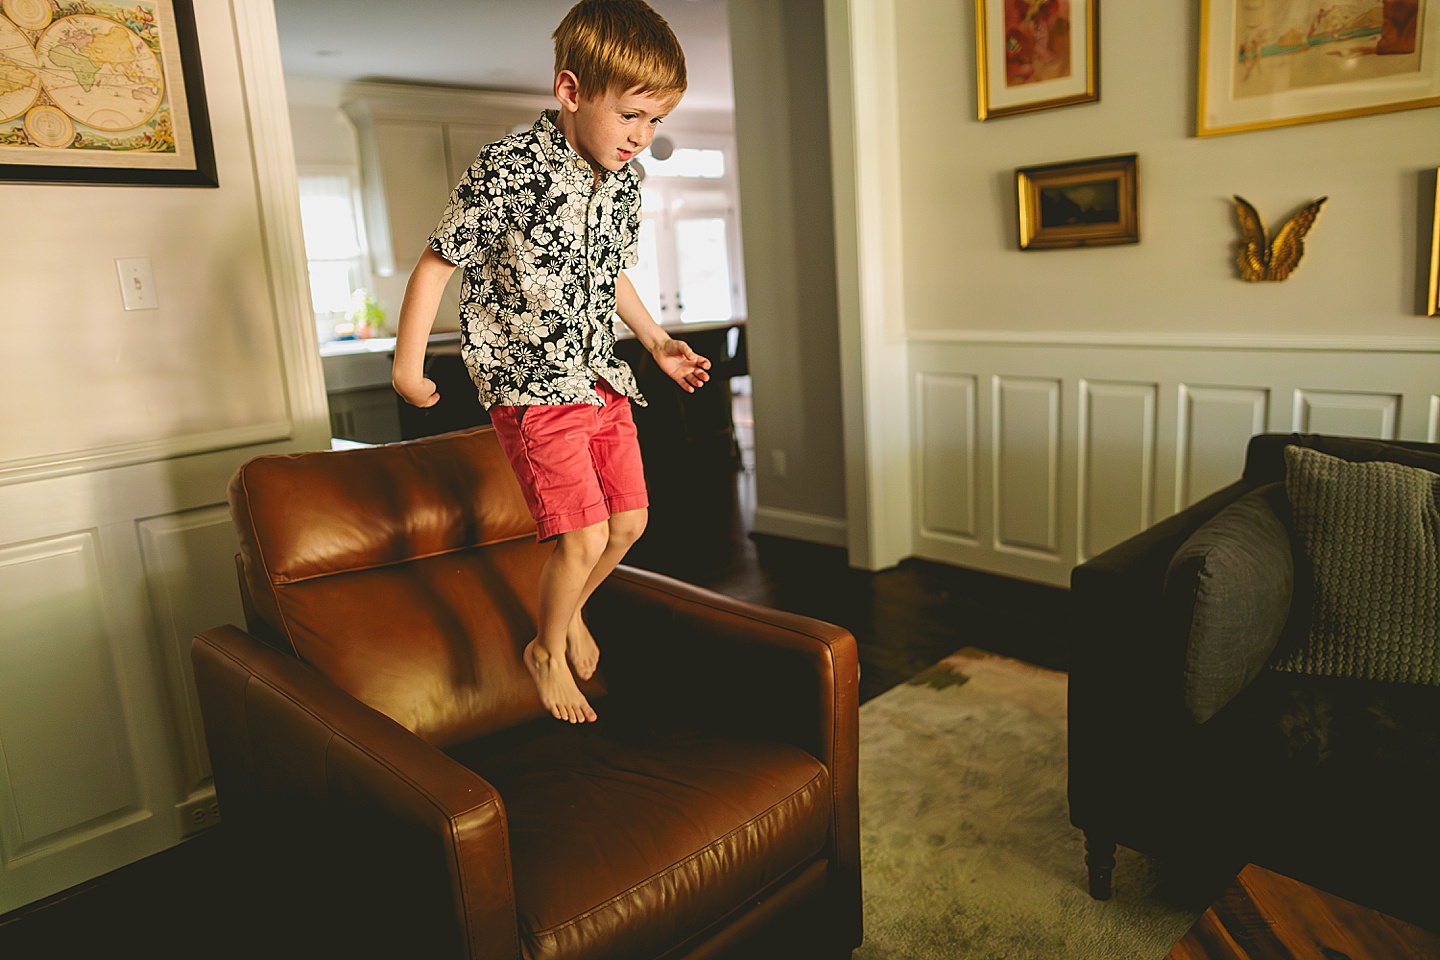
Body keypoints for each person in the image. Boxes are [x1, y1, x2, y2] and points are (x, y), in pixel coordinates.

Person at [391, 0, 710, 725]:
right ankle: (545, 647)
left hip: (600, 377)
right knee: (585, 535)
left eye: (657, 121)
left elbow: (611, 272)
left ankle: (567, 615)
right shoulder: (510, 168)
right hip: (531, 386)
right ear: (570, 92)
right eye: (631, 115)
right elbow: (437, 266)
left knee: (629, 524)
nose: (643, 136)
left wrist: (657, 342)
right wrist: (409, 368)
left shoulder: (623, 178)